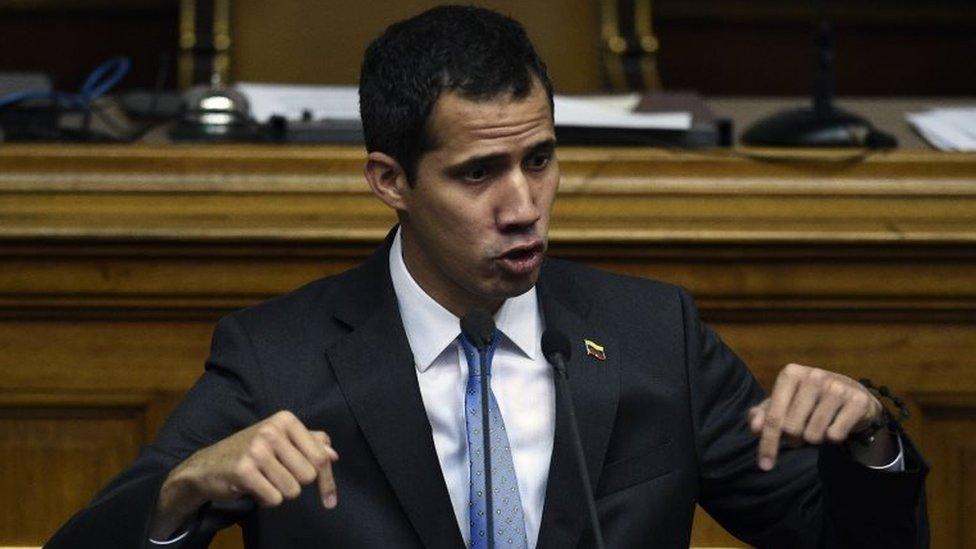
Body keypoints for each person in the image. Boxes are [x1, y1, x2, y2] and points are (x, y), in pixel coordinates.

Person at [47, 5, 928, 548]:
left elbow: (837, 537)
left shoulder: (657, 335)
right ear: (390, 180)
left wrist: (870, 439)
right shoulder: (279, 358)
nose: (524, 205)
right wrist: (180, 492)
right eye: (479, 174)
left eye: (540, 160)